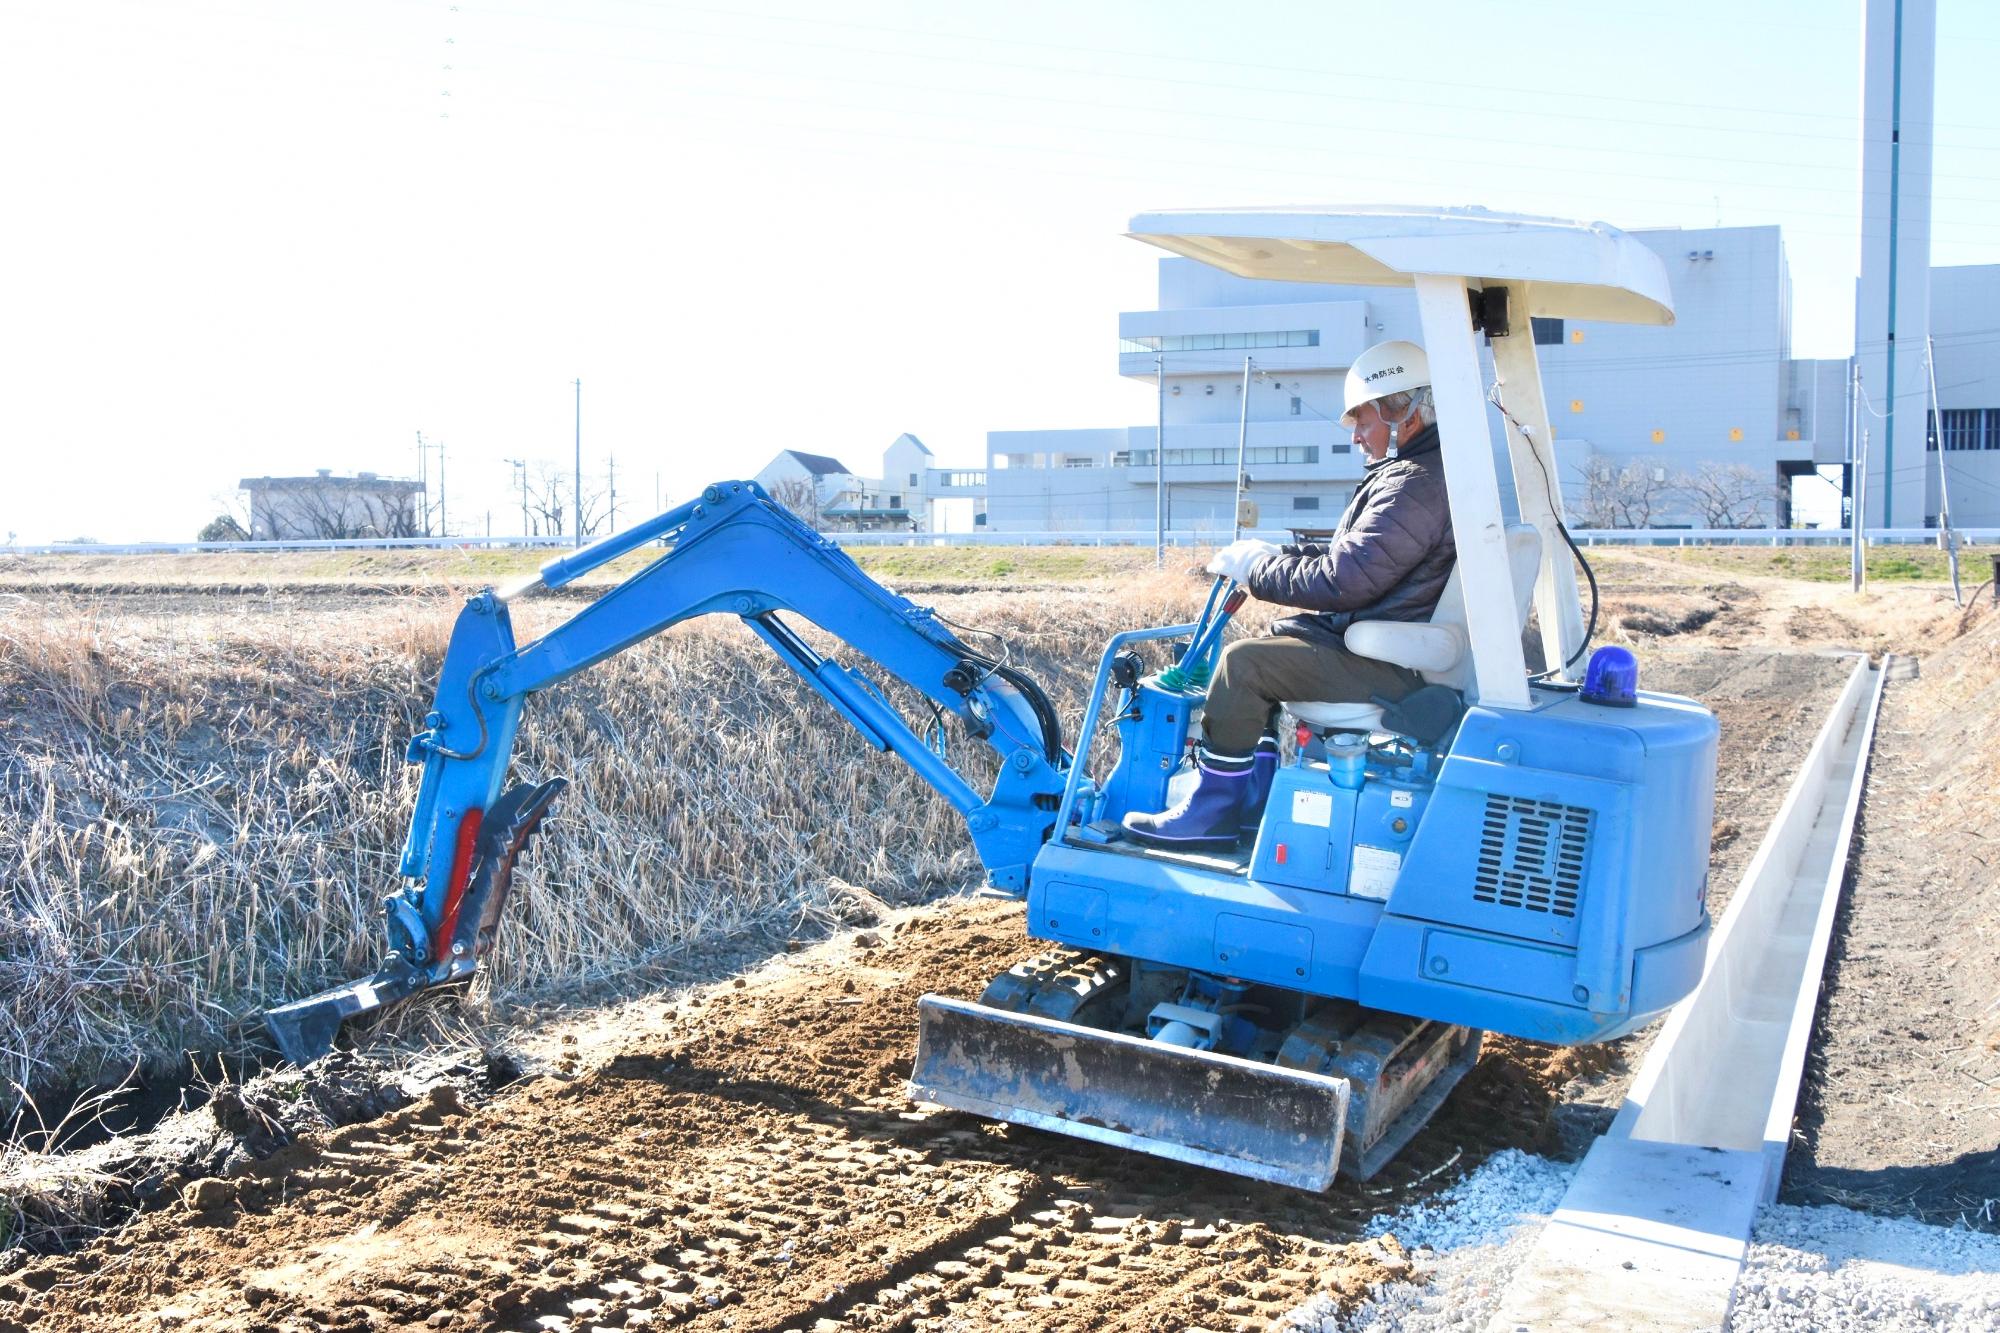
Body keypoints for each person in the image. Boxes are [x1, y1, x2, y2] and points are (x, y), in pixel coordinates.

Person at [1122, 339, 1457, 851]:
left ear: (1403, 410)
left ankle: (1213, 813)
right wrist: (1280, 553)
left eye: (1363, 420)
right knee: (1273, 650)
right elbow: (1360, 557)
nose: (1357, 437)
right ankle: (1251, 800)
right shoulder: (1421, 477)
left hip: (1389, 667)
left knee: (1245, 665)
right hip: (1388, 649)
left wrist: (1259, 569)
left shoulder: (1412, 485)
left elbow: (1344, 579)